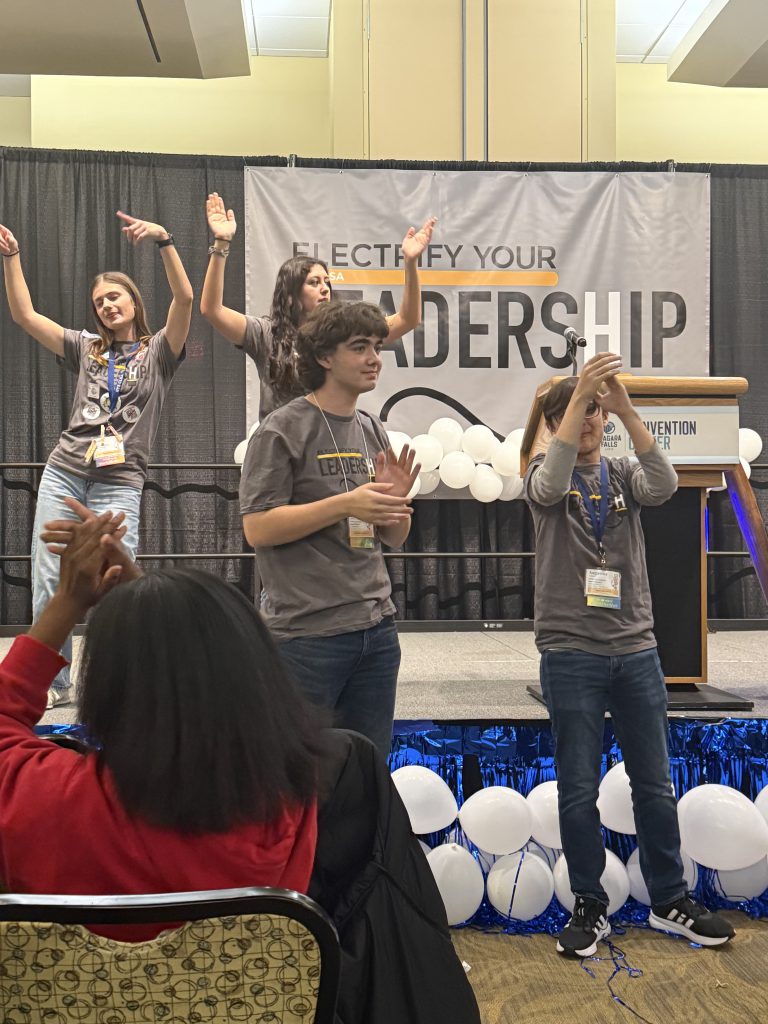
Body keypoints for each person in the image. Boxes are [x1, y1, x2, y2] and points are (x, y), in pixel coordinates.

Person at [0, 501, 325, 942]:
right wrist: (154, 608)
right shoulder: (288, 805)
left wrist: (67, 603)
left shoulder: (48, 796)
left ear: (109, 689)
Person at [523, 352, 735, 957]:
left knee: (654, 783)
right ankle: (589, 906)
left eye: (592, 412)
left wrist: (623, 408)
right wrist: (573, 401)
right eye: (572, 414)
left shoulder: (619, 473)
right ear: (552, 422)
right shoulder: (543, 469)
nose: (586, 422)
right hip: (571, 653)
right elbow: (551, 483)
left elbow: (665, 484)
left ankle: (669, 900)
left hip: (637, 649)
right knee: (577, 787)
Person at [0, 212, 193, 709]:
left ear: (133, 302)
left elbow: (186, 299)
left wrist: (164, 242)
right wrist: (12, 258)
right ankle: (57, 683)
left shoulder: (158, 352)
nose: (107, 305)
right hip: (65, 472)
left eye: (114, 297)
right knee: (49, 576)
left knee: (120, 582)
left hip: (119, 482)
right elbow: (25, 316)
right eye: (99, 301)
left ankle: (129, 679)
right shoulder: (87, 349)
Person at [240, 300, 419, 754]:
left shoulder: (371, 429)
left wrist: (394, 503)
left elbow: (393, 539)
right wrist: (348, 502)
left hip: (377, 630)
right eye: (359, 347)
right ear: (323, 357)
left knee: (366, 772)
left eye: (377, 347)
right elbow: (258, 529)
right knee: (300, 774)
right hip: (307, 638)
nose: (374, 358)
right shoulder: (281, 429)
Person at [200, 191, 437, 419]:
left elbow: (408, 319)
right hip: (283, 447)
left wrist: (410, 262)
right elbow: (212, 309)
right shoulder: (265, 334)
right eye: (313, 282)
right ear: (291, 295)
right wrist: (222, 242)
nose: (325, 288)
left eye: (326, 281)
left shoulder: (344, 332)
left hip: (330, 444)